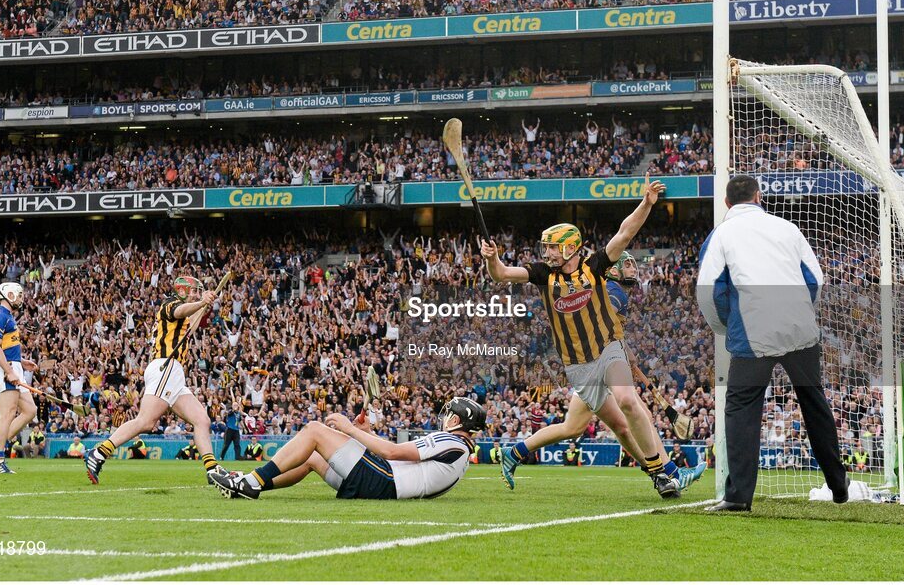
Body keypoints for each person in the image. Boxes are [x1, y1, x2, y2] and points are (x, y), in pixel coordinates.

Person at [482, 176, 704, 499]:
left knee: (628, 400)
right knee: (619, 427)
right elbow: (501, 274)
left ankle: (667, 473)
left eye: (553, 247)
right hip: (579, 367)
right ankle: (663, 476)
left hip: (607, 350)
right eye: (546, 247)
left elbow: (625, 233)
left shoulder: (595, 266)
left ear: (571, 247)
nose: (547, 252)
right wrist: (491, 258)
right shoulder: (544, 275)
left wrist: (646, 203)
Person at [697, 175, 849, 511]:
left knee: (741, 409)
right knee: (813, 402)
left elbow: (708, 290)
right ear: (758, 196)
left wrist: (725, 325)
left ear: (726, 203)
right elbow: (815, 278)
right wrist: (799, 312)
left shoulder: (721, 234)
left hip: (753, 331)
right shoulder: (788, 228)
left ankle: (738, 497)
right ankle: (838, 485)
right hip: (799, 329)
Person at [85, 276, 226, 484]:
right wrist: (201, 302)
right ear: (182, 290)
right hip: (166, 367)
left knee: (202, 420)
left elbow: (191, 325)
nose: (196, 293)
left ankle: (212, 469)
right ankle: (98, 453)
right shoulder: (170, 304)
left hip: (173, 373)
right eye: (194, 291)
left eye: (198, 291)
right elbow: (180, 311)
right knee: (146, 421)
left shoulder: (184, 314)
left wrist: (203, 306)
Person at [209, 397, 485, 501]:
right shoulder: (460, 448)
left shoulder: (451, 441)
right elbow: (405, 459)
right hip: (387, 483)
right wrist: (367, 434)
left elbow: (391, 454)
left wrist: (350, 429)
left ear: (457, 421)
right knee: (313, 457)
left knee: (315, 430)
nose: (444, 417)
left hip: (385, 481)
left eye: (449, 414)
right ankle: (252, 487)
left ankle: (249, 481)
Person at [0, 282, 38, 474]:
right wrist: (9, 370)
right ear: (8, 294)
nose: (21, 298)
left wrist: (21, 361)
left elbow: (8, 346)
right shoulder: (0, 316)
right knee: (8, 413)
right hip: (7, 368)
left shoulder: (8, 316)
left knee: (30, 410)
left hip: (14, 365)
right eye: (18, 295)